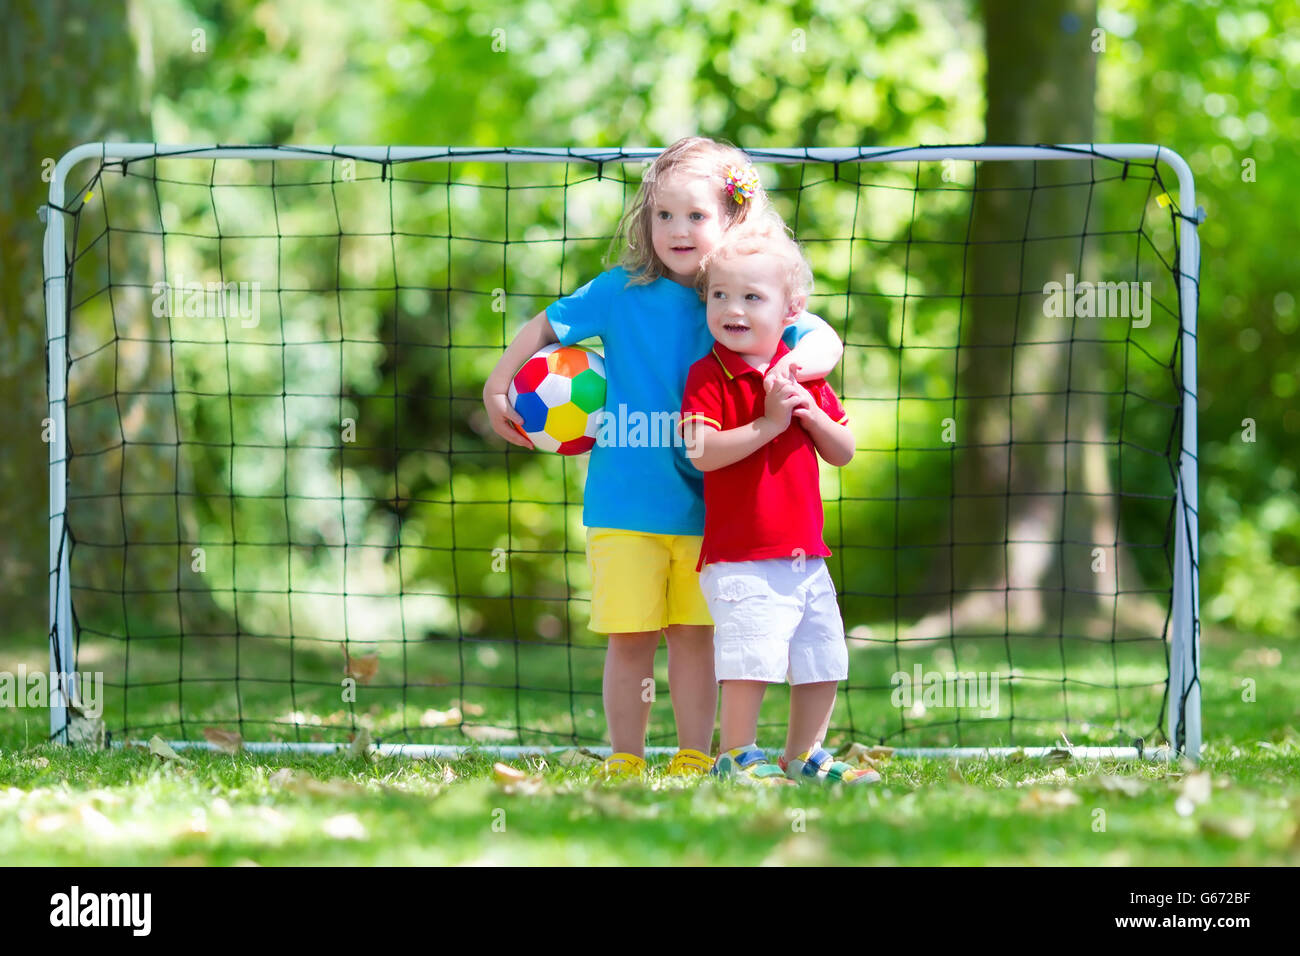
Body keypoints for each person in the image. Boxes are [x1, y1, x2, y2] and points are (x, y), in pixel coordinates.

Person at [482, 137, 844, 778]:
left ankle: (694, 755)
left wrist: (785, 370)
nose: (678, 230)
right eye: (664, 215)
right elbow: (542, 326)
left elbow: (821, 334)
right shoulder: (620, 291)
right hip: (624, 507)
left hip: (710, 514)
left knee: (695, 640)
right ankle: (624, 757)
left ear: (733, 219)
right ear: (645, 221)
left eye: (697, 216)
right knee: (629, 641)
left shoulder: (737, 296)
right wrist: (498, 383)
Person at [679, 210, 878, 785]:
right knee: (752, 657)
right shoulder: (706, 376)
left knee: (821, 657)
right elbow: (702, 451)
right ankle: (736, 753)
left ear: (789, 313)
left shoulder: (805, 378)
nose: (732, 309)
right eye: (719, 296)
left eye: (751, 297)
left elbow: (843, 450)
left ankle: (803, 754)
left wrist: (809, 412)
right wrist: (768, 424)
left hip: (806, 555)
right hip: (741, 555)